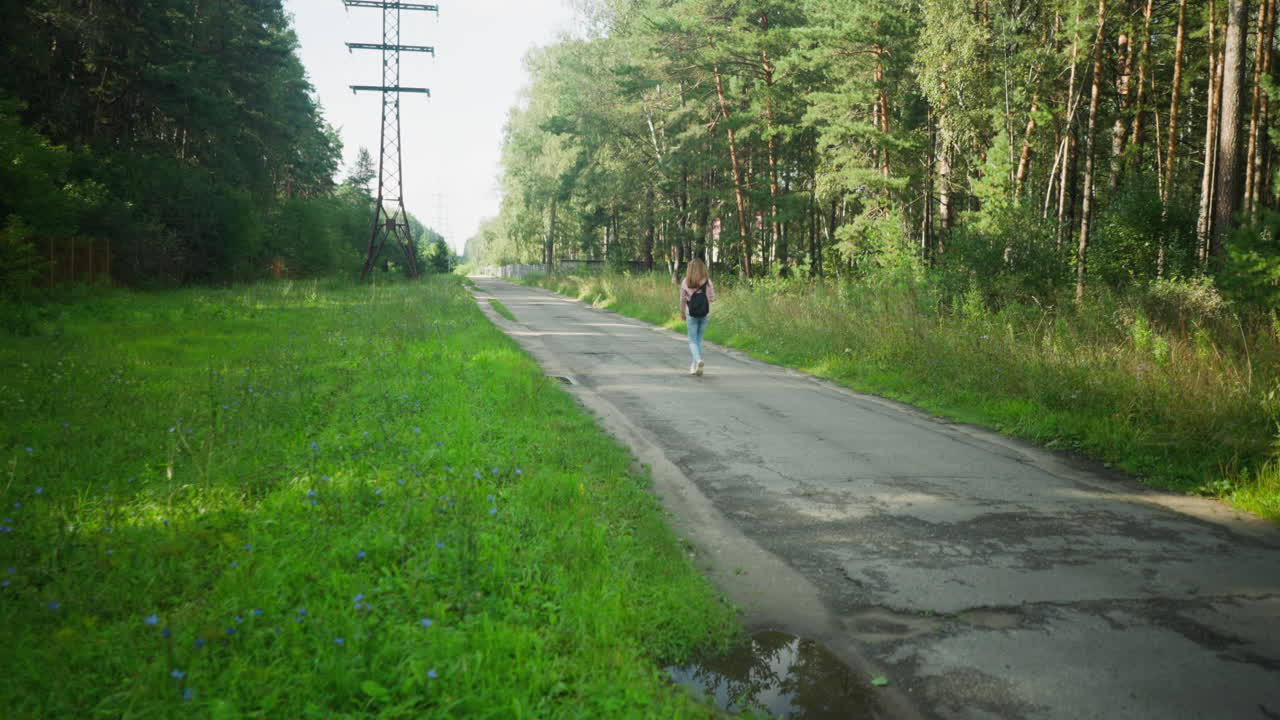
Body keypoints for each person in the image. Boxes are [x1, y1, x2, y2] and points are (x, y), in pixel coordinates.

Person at [679, 258, 715, 376]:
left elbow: (683, 299)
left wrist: (682, 312)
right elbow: (712, 298)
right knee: (699, 340)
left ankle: (698, 361)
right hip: (705, 314)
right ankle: (694, 366)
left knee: (692, 340)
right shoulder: (707, 281)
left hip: (691, 314)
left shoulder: (686, 282)